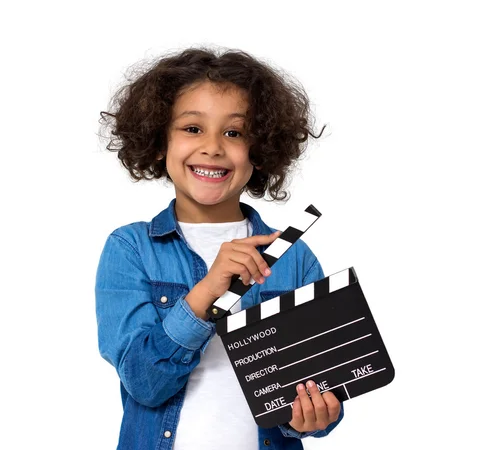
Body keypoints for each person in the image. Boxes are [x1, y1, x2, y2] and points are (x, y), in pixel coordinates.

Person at [95, 47, 344, 450]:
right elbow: (143, 383)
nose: (213, 147)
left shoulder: (294, 257)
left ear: (260, 150)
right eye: (192, 128)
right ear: (159, 142)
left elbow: (322, 395)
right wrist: (205, 294)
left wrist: (312, 417)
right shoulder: (131, 249)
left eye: (234, 132)